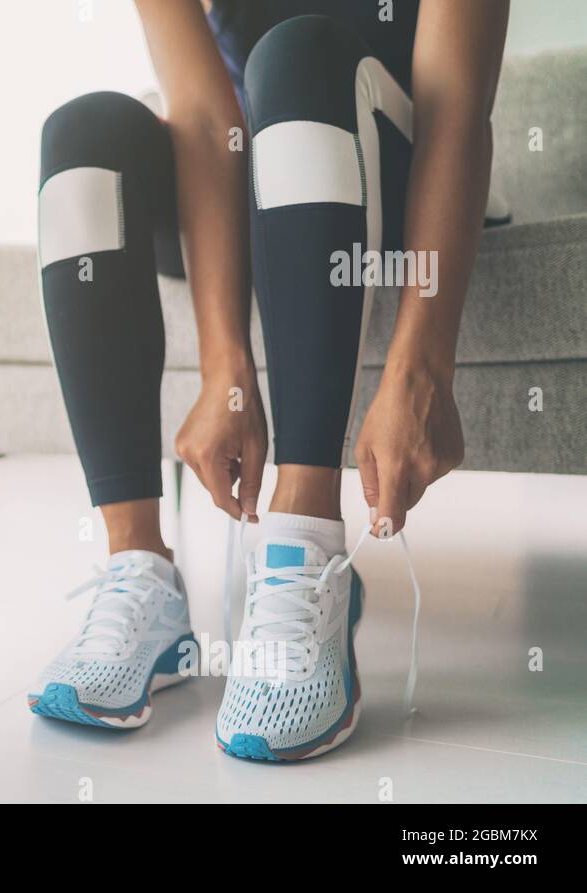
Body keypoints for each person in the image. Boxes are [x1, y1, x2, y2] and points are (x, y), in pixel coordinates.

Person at [27, 0, 509, 760]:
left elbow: (455, 104)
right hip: (255, 178)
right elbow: (200, 113)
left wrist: (423, 364)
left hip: (390, 158)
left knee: (295, 56)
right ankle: (138, 569)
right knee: (83, 138)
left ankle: (303, 548)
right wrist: (226, 367)